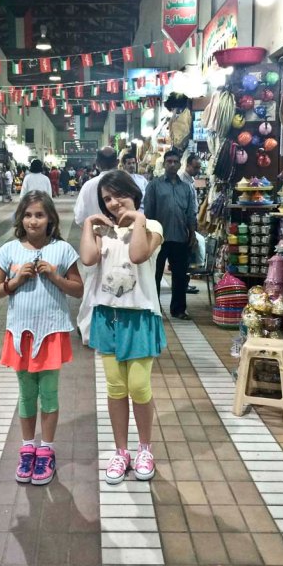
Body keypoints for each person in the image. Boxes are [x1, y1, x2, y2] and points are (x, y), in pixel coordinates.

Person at [0, 191, 83, 485]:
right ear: (20, 219)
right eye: (28, 215)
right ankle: (28, 447)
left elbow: (78, 289)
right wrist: (15, 281)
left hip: (51, 333)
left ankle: (46, 450)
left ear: (50, 218)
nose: (33, 221)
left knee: (49, 394)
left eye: (40, 215)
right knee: (27, 394)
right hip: (20, 334)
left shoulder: (63, 250)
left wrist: (54, 276)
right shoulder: (9, 251)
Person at [80, 170, 166, 484]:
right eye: (107, 198)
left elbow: (138, 254)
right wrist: (89, 226)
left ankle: (145, 449)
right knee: (115, 388)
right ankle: (121, 451)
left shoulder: (152, 226)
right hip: (107, 317)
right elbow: (88, 259)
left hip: (140, 317)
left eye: (120, 195)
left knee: (139, 387)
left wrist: (139, 219)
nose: (114, 203)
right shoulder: (102, 231)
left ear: (134, 194)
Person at [144, 147, 197, 320]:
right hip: (158, 238)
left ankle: (178, 309)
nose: (172, 164)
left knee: (180, 276)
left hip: (180, 237)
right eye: (169, 162)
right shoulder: (154, 186)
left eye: (175, 162)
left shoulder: (187, 188)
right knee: (155, 274)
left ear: (180, 164)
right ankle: (154, 308)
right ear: (164, 164)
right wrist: (148, 235)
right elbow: (148, 213)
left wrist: (192, 234)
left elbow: (191, 213)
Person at [74, 146, 120, 342]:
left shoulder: (89, 185)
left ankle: (87, 330)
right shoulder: (124, 182)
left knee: (92, 284)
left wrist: (92, 227)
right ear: (117, 162)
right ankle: (114, 331)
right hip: (120, 242)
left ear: (97, 163)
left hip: (93, 242)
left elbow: (79, 217)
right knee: (117, 285)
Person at [181, 153, 202, 295]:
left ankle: (185, 284)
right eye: (195, 167)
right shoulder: (183, 180)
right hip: (185, 223)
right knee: (185, 256)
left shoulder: (190, 180)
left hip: (191, 221)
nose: (198, 170)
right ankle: (183, 285)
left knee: (188, 255)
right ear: (188, 165)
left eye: (199, 167)